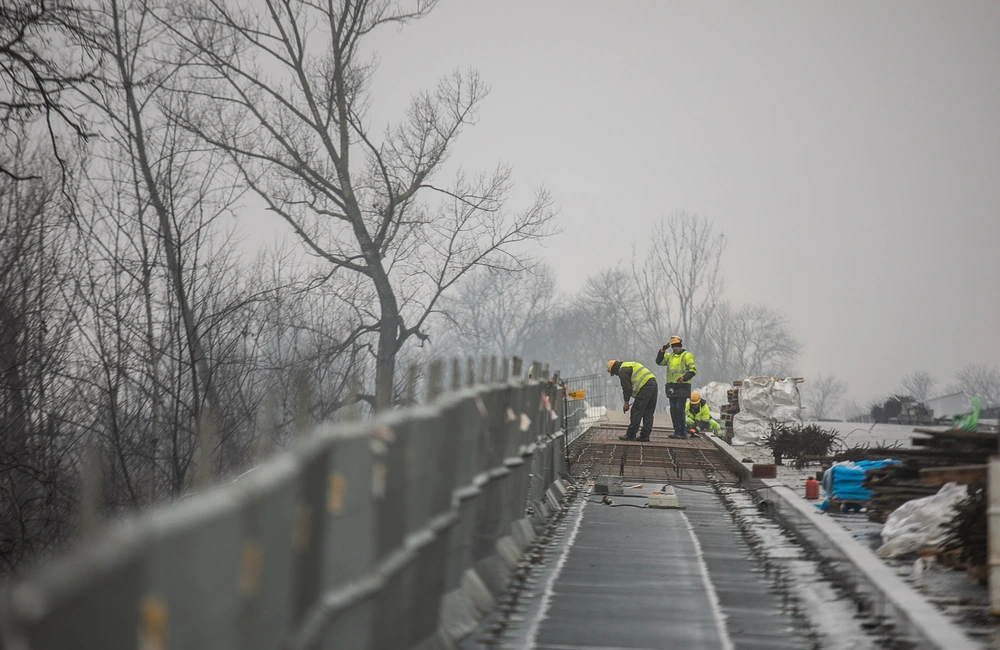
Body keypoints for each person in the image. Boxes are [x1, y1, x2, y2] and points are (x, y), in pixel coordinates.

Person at [606, 360, 657, 442]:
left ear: (614, 369)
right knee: (648, 411)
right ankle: (645, 435)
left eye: (614, 373)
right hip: (653, 383)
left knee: (636, 410)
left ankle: (631, 435)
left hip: (645, 386)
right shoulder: (629, 364)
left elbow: (627, 388)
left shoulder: (622, 370)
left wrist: (626, 402)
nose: (616, 375)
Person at [656, 335, 697, 439]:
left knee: (679, 409)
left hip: (683, 386)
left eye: (676, 346)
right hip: (672, 387)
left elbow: (693, 371)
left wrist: (684, 377)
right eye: (673, 346)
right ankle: (677, 431)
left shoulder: (687, 355)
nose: (674, 348)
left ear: (680, 345)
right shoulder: (669, 356)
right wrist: (662, 351)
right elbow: (659, 362)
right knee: (673, 410)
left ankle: (682, 432)